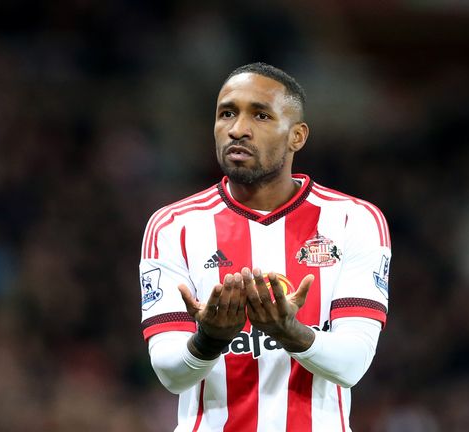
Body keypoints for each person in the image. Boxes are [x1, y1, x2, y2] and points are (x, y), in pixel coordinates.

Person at [140, 62, 391, 431]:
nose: (238, 129)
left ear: (297, 136)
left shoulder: (354, 221)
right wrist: (209, 340)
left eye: (260, 115)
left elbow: (352, 365)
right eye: (227, 113)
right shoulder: (173, 226)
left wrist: (289, 330)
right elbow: (170, 375)